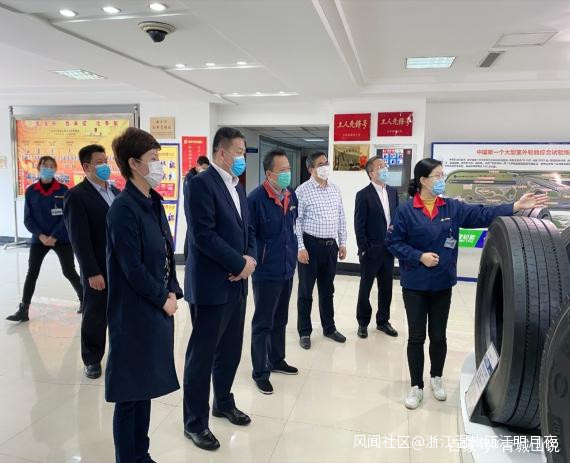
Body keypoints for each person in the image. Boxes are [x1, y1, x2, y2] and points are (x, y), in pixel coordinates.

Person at [386, 158, 547, 410]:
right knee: (416, 337)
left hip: (442, 283)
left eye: (443, 174)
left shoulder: (451, 207)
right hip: (415, 285)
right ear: (423, 180)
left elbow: (482, 213)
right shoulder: (406, 211)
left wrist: (515, 205)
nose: (442, 179)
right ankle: (416, 386)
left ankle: (436, 378)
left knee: (438, 335)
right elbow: (394, 243)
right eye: (438, 175)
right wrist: (419, 256)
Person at [105, 127, 182, 463]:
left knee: (145, 387)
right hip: (133, 313)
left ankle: (142, 454)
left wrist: (173, 290)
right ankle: (128, 457)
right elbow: (132, 267)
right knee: (129, 394)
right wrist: (162, 298)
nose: (159, 165)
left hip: (155, 308)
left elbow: (166, 251)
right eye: (153, 158)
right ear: (134, 164)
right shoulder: (123, 209)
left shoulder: (152, 202)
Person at [183, 127, 256, 451]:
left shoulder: (237, 186)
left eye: (243, 152)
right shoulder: (200, 185)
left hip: (237, 285)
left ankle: (223, 402)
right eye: (238, 152)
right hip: (211, 286)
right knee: (202, 357)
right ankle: (195, 423)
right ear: (221, 152)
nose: (242, 158)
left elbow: (248, 229)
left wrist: (250, 258)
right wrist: (238, 264)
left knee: (230, 350)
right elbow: (203, 235)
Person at [63, 144, 120, 379]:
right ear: (86, 167)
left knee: (119, 312)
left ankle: (119, 354)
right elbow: (79, 239)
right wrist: (91, 271)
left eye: (106, 161)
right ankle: (92, 359)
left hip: (120, 266)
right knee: (95, 314)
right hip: (97, 267)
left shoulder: (115, 192)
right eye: (99, 162)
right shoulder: (76, 196)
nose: (105, 166)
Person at [6, 156, 82, 322]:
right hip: (39, 239)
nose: (48, 168)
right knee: (32, 272)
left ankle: (84, 299)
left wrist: (53, 236)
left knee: (68, 270)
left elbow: (66, 217)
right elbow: (28, 219)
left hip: (61, 238)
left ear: (55, 169)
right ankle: (23, 310)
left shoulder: (63, 190)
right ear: (38, 168)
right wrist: (41, 236)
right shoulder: (31, 191)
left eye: (51, 166)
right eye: (44, 165)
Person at [247, 149, 299, 395]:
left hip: (287, 268)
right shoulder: (256, 199)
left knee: (281, 318)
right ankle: (260, 371)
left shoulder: (290, 195)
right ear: (269, 174)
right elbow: (250, 236)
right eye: (283, 170)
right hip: (266, 271)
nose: (288, 173)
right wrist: (255, 261)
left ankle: (277, 359)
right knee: (263, 322)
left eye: (289, 168)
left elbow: (292, 228)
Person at [295, 151, 347, 349]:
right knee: (305, 291)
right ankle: (304, 331)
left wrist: (342, 242)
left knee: (327, 290)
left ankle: (329, 328)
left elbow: (341, 216)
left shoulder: (335, 189)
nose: (325, 167)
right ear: (311, 169)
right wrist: (300, 247)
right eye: (320, 164)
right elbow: (296, 222)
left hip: (330, 247)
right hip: (310, 246)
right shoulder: (302, 191)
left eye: (326, 162)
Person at [354, 156, 399, 339]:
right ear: (371, 173)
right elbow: (359, 225)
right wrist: (364, 249)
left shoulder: (393, 192)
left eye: (385, 165)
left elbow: (396, 218)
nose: (384, 168)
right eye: (380, 166)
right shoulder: (363, 195)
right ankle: (363, 323)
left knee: (386, 288)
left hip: (388, 250)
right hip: (370, 251)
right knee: (365, 288)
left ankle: (383, 321)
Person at [183, 156, 210, 262]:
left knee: (191, 233)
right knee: (190, 234)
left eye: (207, 169)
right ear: (198, 165)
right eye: (204, 168)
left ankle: (190, 258)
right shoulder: (190, 177)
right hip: (191, 210)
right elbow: (191, 196)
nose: (205, 171)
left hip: (195, 210)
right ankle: (188, 258)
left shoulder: (197, 177)